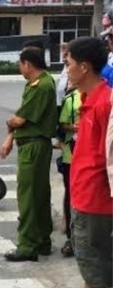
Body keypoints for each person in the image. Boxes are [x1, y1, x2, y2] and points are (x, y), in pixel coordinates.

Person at [53, 37, 112, 288]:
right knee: (86, 253)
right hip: (83, 193)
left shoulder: (106, 102)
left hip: (97, 198)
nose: (66, 70)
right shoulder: (88, 99)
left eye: (68, 64)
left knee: (94, 255)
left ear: (84, 67)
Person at [0, 46, 57, 262]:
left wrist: (10, 124)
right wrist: (11, 135)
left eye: (20, 63)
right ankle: (42, 240)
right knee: (39, 195)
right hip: (36, 145)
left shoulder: (40, 86)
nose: (19, 67)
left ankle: (27, 246)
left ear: (28, 64)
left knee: (29, 197)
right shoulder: (42, 83)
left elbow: (19, 120)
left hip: (32, 147)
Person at [57, 80, 80, 257]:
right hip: (70, 157)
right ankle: (71, 239)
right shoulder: (71, 99)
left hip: (94, 158)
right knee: (70, 197)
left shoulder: (103, 96)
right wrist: (73, 127)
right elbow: (62, 125)